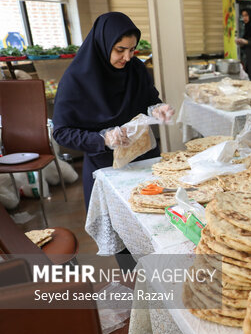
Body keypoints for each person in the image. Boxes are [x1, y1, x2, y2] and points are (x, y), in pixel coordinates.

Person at [53, 12, 174, 210]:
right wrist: (104, 139)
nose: (127, 57)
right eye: (120, 50)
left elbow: (150, 100)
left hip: (144, 160)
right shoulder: (76, 80)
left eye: (132, 50)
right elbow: (61, 132)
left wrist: (158, 109)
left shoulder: (135, 69)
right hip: (106, 166)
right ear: (104, 44)